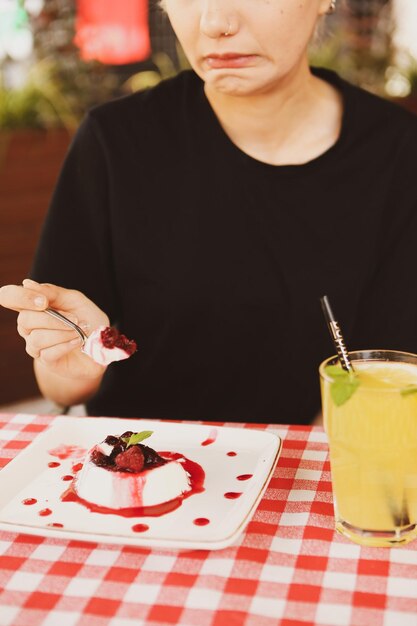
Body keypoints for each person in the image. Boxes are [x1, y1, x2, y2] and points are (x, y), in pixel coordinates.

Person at [1, 0, 417, 424]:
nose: (215, 22)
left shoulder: (398, 153)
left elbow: (391, 377)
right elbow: (58, 384)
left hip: (316, 468)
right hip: (146, 473)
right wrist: (75, 359)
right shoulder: (116, 142)